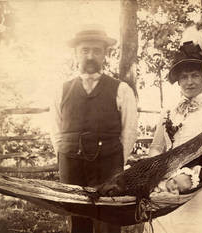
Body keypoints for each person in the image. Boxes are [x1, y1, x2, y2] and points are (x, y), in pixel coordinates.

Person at [144, 37, 202, 233]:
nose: (189, 82)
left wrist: (201, 173)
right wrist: (154, 174)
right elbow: (157, 146)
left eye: (195, 76)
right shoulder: (169, 110)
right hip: (171, 182)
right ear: (178, 81)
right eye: (184, 77)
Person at [50, 24, 138, 233]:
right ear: (76, 54)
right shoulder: (61, 90)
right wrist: (67, 156)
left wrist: (115, 162)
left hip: (108, 166)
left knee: (108, 220)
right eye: (85, 50)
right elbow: (55, 130)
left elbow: (129, 131)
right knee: (77, 218)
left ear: (105, 55)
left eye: (97, 51)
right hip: (72, 164)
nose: (90, 56)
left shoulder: (121, 89)